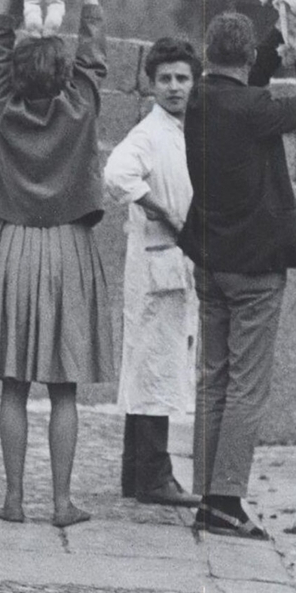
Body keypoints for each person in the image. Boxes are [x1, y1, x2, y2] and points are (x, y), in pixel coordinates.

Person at [0, 0, 114, 528]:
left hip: (12, 247)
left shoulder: (2, 106)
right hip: (68, 247)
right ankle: (60, 502)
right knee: (64, 388)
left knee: (13, 383)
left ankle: (13, 499)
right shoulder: (81, 109)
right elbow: (95, 44)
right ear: (68, 74)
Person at [178, 10, 296, 539]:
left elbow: (248, 78)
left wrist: (280, 31)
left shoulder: (197, 98)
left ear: (206, 54)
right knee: (246, 387)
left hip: (210, 261)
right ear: (244, 59)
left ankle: (207, 497)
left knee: (212, 379)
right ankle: (227, 502)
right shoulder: (254, 108)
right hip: (255, 266)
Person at [104, 37, 201, 507]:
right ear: (151, 85)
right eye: (165, 79)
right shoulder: (149, 132)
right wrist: (162, 210)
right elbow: (118, 173)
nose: (174, 87)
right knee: (153, 368)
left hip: (174, 263)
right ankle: (153, 476)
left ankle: (138, 475)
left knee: (157, 367)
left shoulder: (186, 130)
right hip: (155, 261)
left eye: (182, 78)